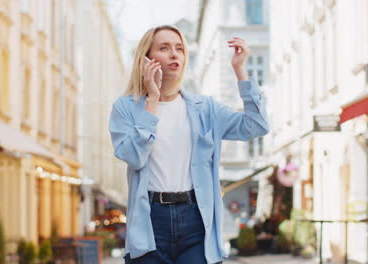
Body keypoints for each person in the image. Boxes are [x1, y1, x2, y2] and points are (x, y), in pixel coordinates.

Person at [109, 25, 269, 264]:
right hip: (150, 222)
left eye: (179, 48)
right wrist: (152, 100)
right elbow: (134, 157)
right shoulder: (125, 108)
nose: (174, 54)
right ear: (146, 58)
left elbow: (257, 125)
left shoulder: (206, 109)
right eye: (164, 48)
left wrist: (239, 69)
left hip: (197, 220)